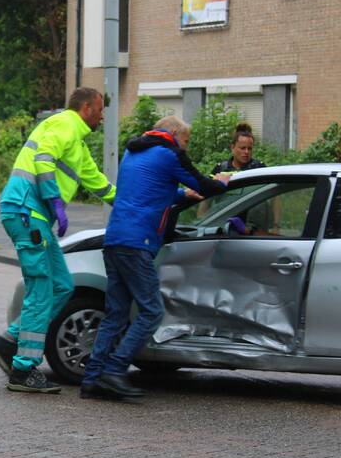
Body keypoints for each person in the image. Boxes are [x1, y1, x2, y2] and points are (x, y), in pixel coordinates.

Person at [81, 115, 230, 401]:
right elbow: (204, 184)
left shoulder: (133, 151)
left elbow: (149, 192)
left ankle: (92, 378)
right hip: (138, 243)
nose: (185, 148)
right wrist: (221, 181)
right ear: (173, 133)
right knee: (152, 312)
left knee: (116, 313)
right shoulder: (169, 153)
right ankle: (114, 370)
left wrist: (181, 195)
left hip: (115, 239)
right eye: (185, 141)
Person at [0, 87, 117, 393]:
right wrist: (54, 199)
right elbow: (43, 158)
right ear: (85, 108)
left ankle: (8, 342)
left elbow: (101, 185)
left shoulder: (78, 145)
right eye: (99, 109)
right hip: (27, 213)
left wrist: (136, 207)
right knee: (42, 291)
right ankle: (23, 370)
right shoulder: (65, 123)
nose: (102, 114)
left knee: (61, 286)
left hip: (33, 218)